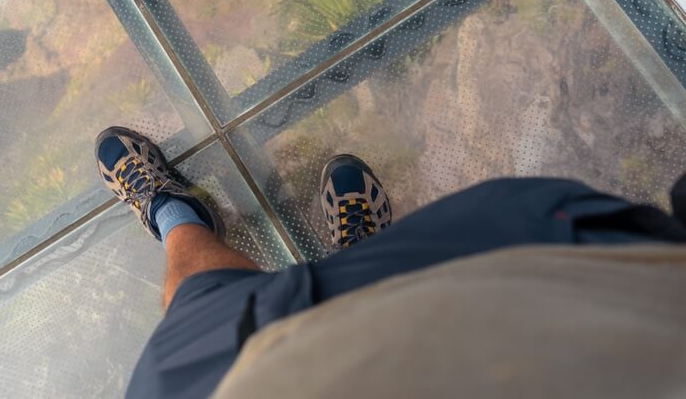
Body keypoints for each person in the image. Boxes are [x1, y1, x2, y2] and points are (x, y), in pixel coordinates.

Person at [95, 126, 686, 399]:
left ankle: (175, 215)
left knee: (193, 305)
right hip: (570, 298)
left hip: (249, 381)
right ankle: (361, 257)